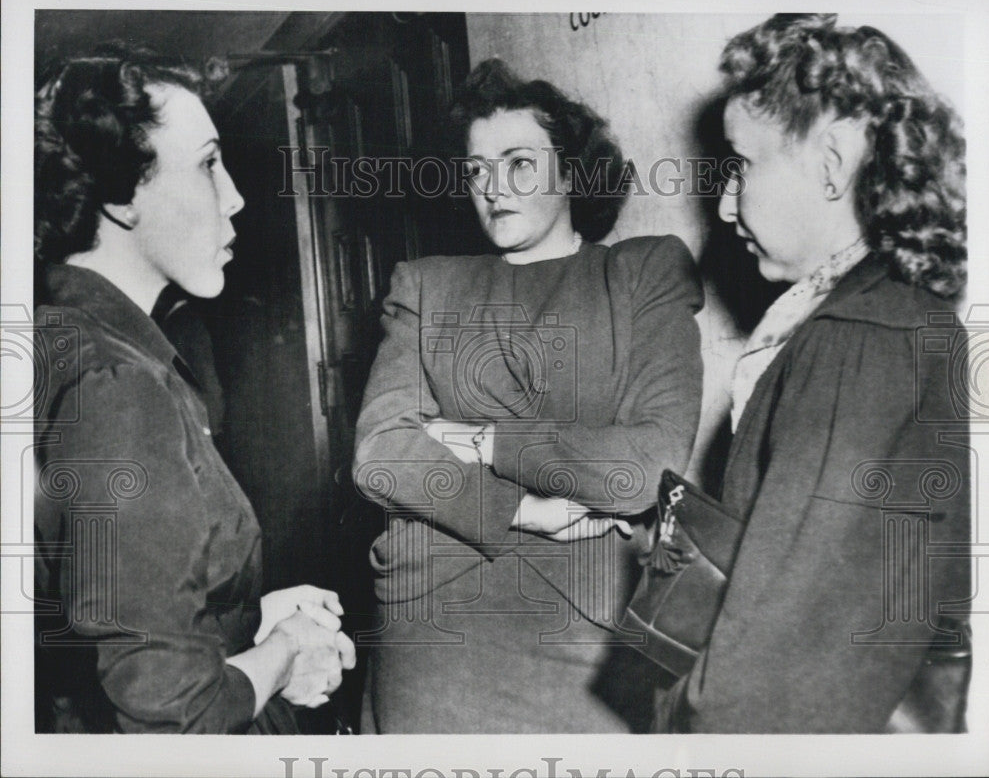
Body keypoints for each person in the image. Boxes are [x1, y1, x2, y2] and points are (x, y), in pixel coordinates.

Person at [353, 59, 704, 732]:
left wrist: (481, 439)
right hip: (439, 624)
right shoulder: (425, 285)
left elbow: (645, 467)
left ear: (570, 170)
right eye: (477, 169)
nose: (492, 187)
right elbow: (380, 454)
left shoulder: (641, 273)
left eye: (518, 162)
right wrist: (525, 509)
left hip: (592, 629)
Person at [654, 14, 970, 733]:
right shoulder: (901, 315)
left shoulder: (853, 343)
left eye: (742, 163)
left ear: (830, 162)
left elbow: (769, 671)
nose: (726, 201)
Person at [33, 43, 355, 733]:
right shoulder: (117, 383)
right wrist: (286, 649)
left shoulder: (56, 337)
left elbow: (116, 610)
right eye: (209, 164)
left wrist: (241, 620)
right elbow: (175, 711)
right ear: (122, 195)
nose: (235, 196)